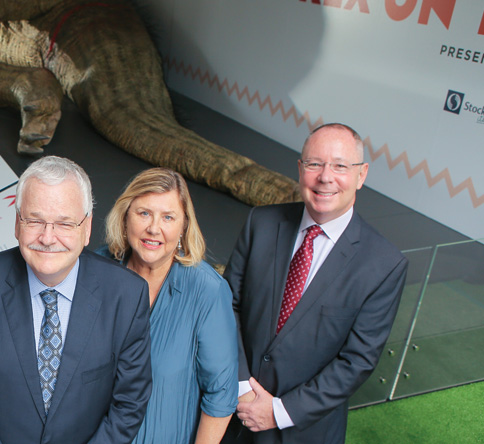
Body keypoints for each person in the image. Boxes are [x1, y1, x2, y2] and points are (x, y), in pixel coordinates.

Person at [0, 156, 152, 444]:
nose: (47, 237)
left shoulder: (126, 295)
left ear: (87, 228)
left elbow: (129, 403)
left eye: (65, 223)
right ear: (17, 223)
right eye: (35, 220)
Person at [222, 123, 408, 444]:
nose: (325, 177)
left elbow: (357, 361)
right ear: (300, 169)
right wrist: (241, 387)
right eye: (314, 164)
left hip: (304, 431)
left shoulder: (384, 264)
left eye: (340, 166)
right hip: (230, 414)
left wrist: (280, 411)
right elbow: (228, 306)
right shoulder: (261, 223)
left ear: (361, 175)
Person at [97, 168, 238, 444]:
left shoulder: (207, 291)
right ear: (125, 216)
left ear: (184, 225)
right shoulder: (97, 270)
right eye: (144, 213)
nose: (154, 228)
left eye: (168, 217)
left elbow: (221, 393)